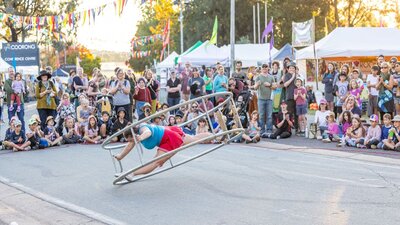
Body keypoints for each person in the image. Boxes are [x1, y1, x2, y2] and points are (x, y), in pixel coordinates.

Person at [114, 123, 212, 179]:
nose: (131, 142)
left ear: (134, 135)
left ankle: (132, 173)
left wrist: (140, 138)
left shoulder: (142, 129)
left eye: (131, 140)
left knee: (155, 162)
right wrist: (120, 156)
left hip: (169, 138)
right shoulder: (135, 135)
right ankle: (216, 135)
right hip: (169, 133)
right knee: (194, 139)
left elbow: (148, 133)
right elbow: (129, 146)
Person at [254, 64, 275, 137]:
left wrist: (269, 85)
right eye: (263, 68)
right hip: (261, 99)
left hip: (269, 99)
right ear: (261, 69)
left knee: (269, 115)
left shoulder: (271, 77)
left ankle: (269, 130)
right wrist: (257, 85)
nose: (265, 69)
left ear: (268, 68)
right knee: (261, 115)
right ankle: (262, 130)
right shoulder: (258, 77)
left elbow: (275, 87)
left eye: (266, 68)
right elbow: (255, 87)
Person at [283, 62, 297, 130]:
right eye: (290, 68)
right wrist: (292, 77)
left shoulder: (297, 75)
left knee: (296, 113)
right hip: (290, 96)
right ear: (288, 69)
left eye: (293, 68)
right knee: (289, 113)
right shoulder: (287, 75)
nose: (292, 69)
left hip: (297, 97)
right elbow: (285, 85)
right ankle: (288, 128)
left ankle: (297, 128)